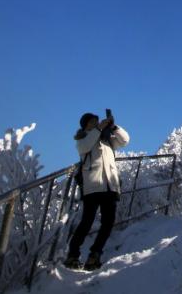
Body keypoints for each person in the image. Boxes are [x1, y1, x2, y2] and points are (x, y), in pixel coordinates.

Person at [64, 111, 130, 271]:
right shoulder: (82, 140)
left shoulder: (107, 140)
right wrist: (98, 130)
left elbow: (125, 141)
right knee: (86, 222)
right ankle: (73, 254)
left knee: (108, 223)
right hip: (92, 187)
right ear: (85, 125)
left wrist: (114, 127)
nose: (96, 123)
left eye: (97, 121)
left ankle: (95, 254)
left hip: (110, 186)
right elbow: (86, 146)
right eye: (92, 122)